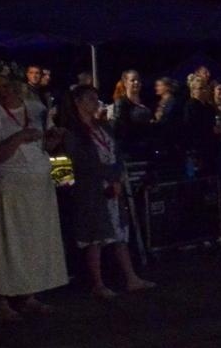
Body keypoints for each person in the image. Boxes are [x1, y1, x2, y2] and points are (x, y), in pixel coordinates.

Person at [0, 63, 67, 322]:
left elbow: (42, 148)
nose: (4, 91)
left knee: (33, 243)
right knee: (8, 245)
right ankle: (1, 301)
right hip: (9, 188)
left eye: (8, 86)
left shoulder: (36, 109)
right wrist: (17, 138)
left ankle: (29, 295)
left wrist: (52, 141)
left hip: (38, 186)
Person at [62, 85, 156, 299]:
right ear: (78, 102)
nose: (96, 102)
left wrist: (116, 176)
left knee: (119, 233)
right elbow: (76, 166)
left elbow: (115, 152)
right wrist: (105, 176)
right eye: (91, 99)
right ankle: (98, 283)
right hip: (90, 190)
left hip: (110, 187)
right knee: (95, 237)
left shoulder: (101, 126)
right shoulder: (71, 132)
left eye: (96, 98)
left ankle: (131, 277)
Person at [110, 70, 154, 161]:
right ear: (125, 83)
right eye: (133, 80)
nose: (136, 82)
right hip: (130, 150)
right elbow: (119, 127)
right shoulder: (121, 102)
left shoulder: (146, 101)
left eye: (138, 80)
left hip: (147, 149)